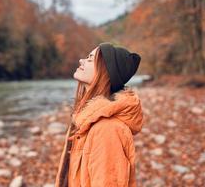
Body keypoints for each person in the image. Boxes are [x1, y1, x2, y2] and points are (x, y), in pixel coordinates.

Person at [55, 42, 144, 187]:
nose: (81, 60)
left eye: (90, 59)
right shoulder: (85, 119)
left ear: (104, 71)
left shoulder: (107, 130)